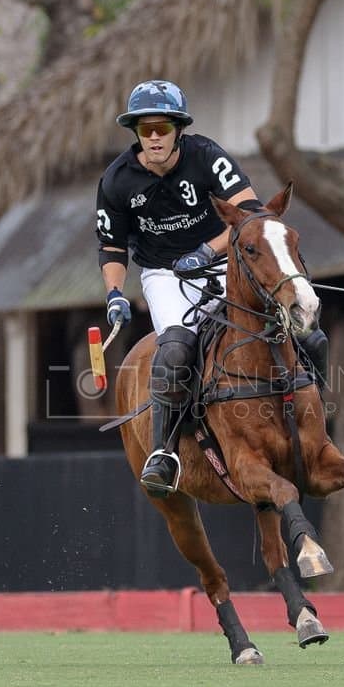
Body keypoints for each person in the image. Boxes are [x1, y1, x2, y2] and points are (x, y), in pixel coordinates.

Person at [95, 79, 329, 497]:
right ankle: (164, 452)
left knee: (308, 336)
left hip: (224, 262)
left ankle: (315, 423)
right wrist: (114, 294)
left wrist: (206, 251)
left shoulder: (207, 157)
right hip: (165, 275)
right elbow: (112, 246)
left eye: (162, 128)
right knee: (175, 351)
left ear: (178, 130)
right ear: (136, 133)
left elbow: (252, 215)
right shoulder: (117, 181)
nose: (154, 137)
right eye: (145, 129)